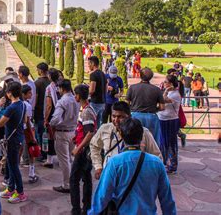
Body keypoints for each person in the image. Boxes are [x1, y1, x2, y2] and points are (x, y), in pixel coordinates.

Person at [89, 118, 176, 215]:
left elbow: (102, 196)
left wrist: (93, 212)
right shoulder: (157, 163)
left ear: (121, 134)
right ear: (142, 135)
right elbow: (167, 199)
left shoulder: (114, 163)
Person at [90, 101, 161, 179]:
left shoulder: (142, 132)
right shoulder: (105, 129)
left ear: (129, 116)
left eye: (120, 117)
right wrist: (98, 166)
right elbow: (94, 145)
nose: (116, 120)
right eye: (113, 116)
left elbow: (157, 156)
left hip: (134, 178)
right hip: (110, 175)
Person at [0, 81, 28, 204]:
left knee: (14, 167)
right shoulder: (23, 104)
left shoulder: (11, 107)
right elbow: (24, 121)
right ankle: (11, 188)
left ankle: (20, 193)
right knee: (11, 164)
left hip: (12, 140)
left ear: (9, 93)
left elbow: (0, 123)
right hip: (18, 137)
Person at [69, 84, 96, 215]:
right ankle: (86, 207)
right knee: (86, 177)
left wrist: (78, 148)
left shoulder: (86, 112)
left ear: (78, 96)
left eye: (75, 94)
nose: (75, 96)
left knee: (74, 179)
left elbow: (90, 133)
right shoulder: (86, 109)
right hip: (83, 148)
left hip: (83, 151)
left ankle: (77, 209)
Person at [50, 79, 79, 193]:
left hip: (62, 132)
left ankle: (67, 185)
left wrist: (52, 123)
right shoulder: (75, 99)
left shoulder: (62, 101)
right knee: (71, 159)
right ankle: (73, 181)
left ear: (62, 88)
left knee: (64, 160)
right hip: (73, 131)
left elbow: (56, 118)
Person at [125, 68, 165, 146]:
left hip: (135, 115)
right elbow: (162, 107)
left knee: (134, 140)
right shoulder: (156, 89)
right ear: (151, 77)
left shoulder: (132, 88)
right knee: (153, 142)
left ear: (140, 76)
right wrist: (154, 109)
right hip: (151, 116)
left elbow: (126, 104)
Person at [158, 74, 182, 174]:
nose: (163, 83)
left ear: (171, 84)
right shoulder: (171, 93)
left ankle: (172, 165)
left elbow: (162, 100)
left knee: (170, 143)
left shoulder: (175, 94)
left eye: (165, 82)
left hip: (170, 121)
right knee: (163, 142)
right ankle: (164, 162)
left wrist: (166, 91)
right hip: (163, 119)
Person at [21, 84, 39, 183]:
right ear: (23, 94)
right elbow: (28, 121)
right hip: (28, 129)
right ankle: (31, 173)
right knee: (32, 150)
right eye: (29, 93)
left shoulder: (18, 103)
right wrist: (32, 136)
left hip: (21, 129)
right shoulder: (27, 105)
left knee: (20, 151)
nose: (31, 94)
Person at [34, 62, 51, 158]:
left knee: (40, 133)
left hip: (39, 111)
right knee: (47, 133)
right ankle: (48, 152)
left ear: (40, 70)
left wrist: (32, 110)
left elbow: (35, 98)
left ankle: (43, 154)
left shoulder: (37, 83)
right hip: (49, 111)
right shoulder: (50, 81)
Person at [87, 56, 107, 128]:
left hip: (95, 102)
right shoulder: (103, 74)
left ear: (93, 64)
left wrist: (86, 92)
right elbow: (106, 89)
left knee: (91, 123)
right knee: (98, 124)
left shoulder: (93, 74)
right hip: (102, 102)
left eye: (89, 63)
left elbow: (92, 90)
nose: (88, 65)